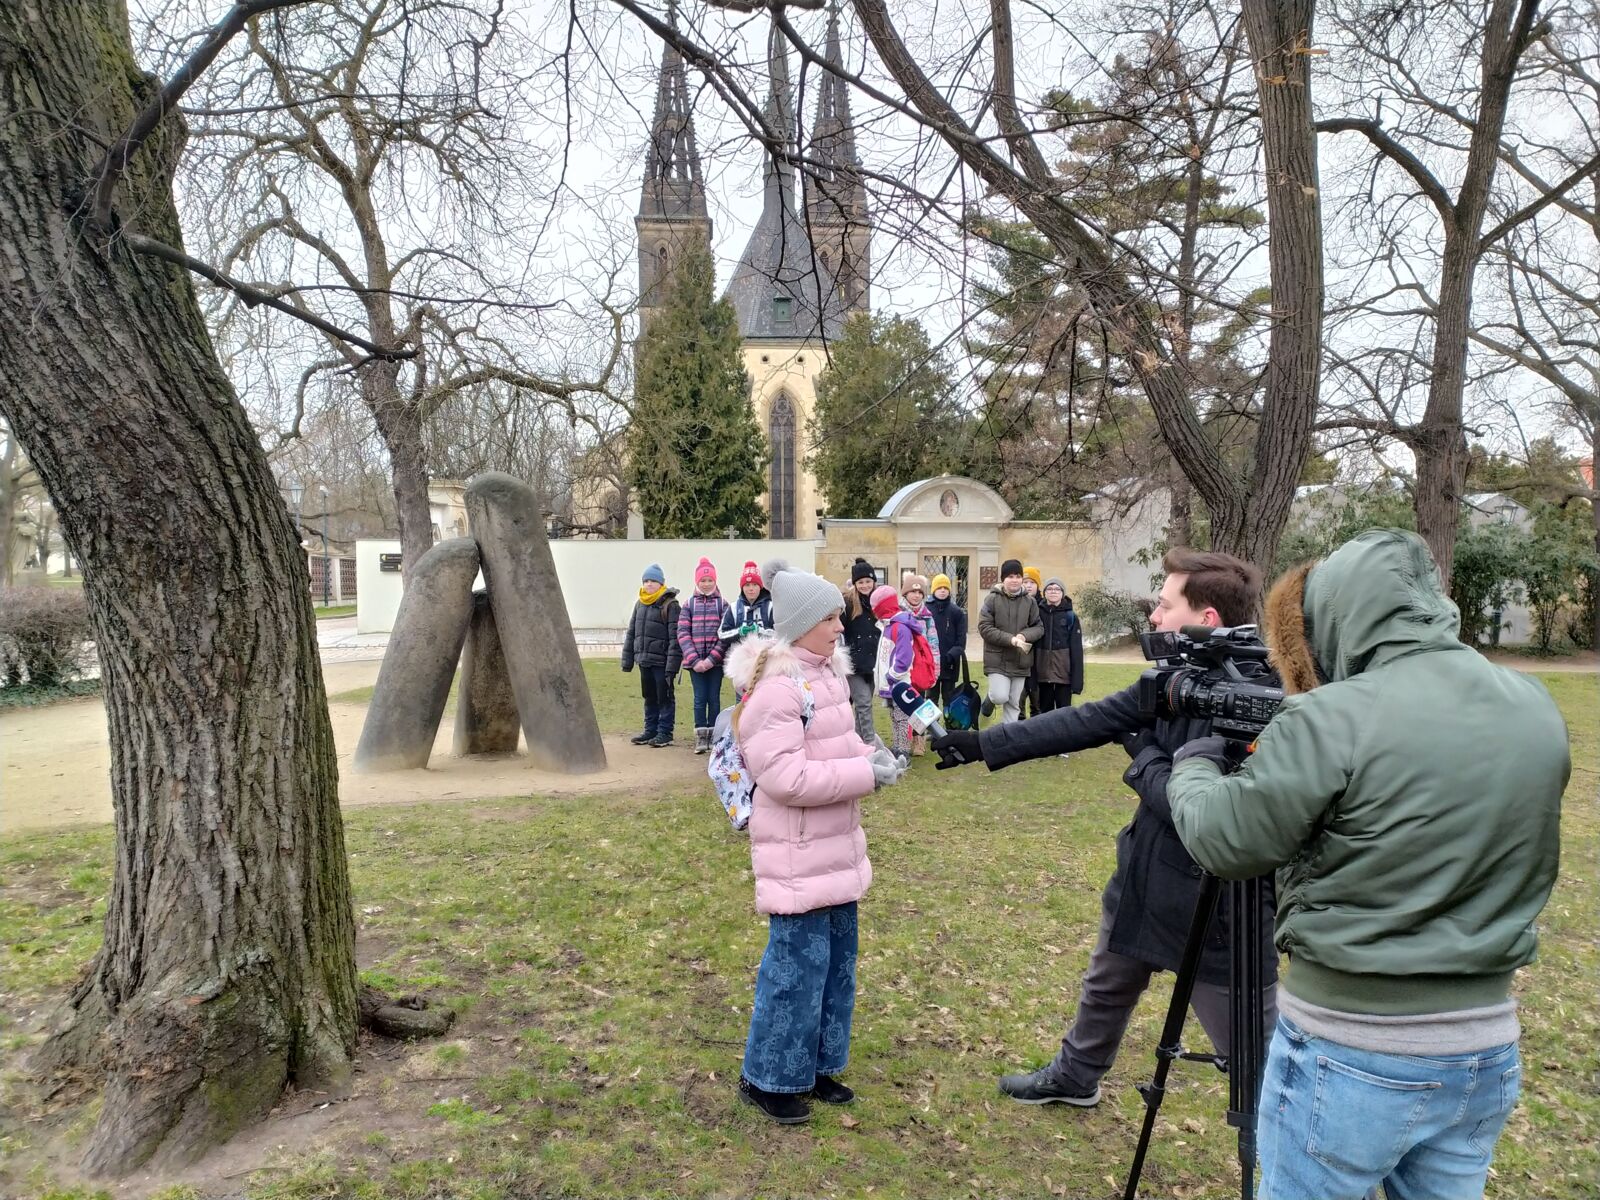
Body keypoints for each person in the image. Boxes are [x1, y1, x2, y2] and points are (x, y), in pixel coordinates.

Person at [1168, 530, 1568, 1200]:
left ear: (1341, 615)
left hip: (1353, 1043)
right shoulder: (1533, 706)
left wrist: (1193, 771)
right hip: (1484, 1046)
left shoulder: (1334, 716)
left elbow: (1231, 839)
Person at [933, 548, 1278, 1107]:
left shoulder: (1263, 702)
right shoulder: (1176, 679)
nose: (1155, 618)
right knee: (1107, 985)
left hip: (1222, 905)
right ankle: (1076, 1076)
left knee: (1260, 1057)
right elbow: (1086, 720)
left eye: (1165, 606)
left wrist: (1144, 764)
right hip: (1148, 876)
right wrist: (982, 744)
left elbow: (1217, 817)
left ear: (1207, 618)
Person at [725, 558, 905, 1125]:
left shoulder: (826, 676)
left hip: (835, 849)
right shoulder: (777, 688)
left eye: (839, 616)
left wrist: (873, 758)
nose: (839, 626)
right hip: (799, 856)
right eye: (829, 617)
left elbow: (842, 743)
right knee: (794, 971)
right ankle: (768, 1077)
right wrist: (864, 777)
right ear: (801, 623)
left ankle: (819, 1065)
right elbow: (786, 778)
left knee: (835, 968)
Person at [621, 563, 681, 748]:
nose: (649, 584)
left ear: (661, 583)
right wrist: (628, 659)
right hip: (644, 659)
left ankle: (665, 732)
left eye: (653, 581)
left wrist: (672, 666)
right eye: (646, 581)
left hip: (662, 661)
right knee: (649, 696)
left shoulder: (670, 605)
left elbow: (675, 637)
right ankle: (650, 729)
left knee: (664, 696)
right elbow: (632, 632)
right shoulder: (640, 604)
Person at [976, 559, 1042, 724]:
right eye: (1010, 576)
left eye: (1018, 576)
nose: (1015, 580)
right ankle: (989, 700)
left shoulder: (1030, 602)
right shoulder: (991, 600)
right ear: (1003, 579)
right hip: (997, 659)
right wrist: (1010, 639)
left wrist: (1024, 636)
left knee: (1013, 703)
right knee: (1000, 696)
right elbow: (984, 627)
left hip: (1021, 661)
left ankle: (1008, 740)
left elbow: (1039, 627)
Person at [678, 557, 730, 755]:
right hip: (695, 664)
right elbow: (683, 633)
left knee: (714, 698)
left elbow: (724, 635)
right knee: (700, 699)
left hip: (714, 664)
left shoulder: (723, 605)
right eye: (703, 580)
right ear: (697, 582)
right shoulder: (688, 604)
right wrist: (695, 660)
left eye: (710, 580)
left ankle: (715, 735)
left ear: (715, 581)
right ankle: (701, 735)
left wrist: (711, 660)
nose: (706, 584)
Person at [871, 582, 925, 760]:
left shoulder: (899, 627)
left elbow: (903, 656)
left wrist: (892, 675)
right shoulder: (888, 625)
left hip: (899, 683)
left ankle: (902, 749)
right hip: (892, 682)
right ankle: (897, 746)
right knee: (895, 716)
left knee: (902, 718)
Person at [840, 558, 881, 745]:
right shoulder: (848, 604)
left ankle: (856, 742)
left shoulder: (879, 603)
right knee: (863, 702)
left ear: (874, 581)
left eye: (868, 581)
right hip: (854, 663)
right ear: (855, 584)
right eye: (860, 582)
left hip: (874, 662)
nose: (865, 585)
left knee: (863, 705)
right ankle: (871, 743)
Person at [1034, 579, 1084, 729]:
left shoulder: (1070, 616)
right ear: (1044, 593)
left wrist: (1077, 681)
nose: (1053, 591)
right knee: (1045, 710)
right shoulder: (1036, 613)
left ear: (1062, 593)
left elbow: (1076, 651)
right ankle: (1046, 741)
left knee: (1064, 710)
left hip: (1064, 672)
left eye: (1057, 589)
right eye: (1050, 589)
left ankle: (1063, 742)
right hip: (1042, 671)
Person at [900, 573, 940, 756]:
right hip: (903, 666)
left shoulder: (927, 617)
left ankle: (919, 738)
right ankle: (902, 739)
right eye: (912, 592)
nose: (916, 595)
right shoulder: (899, 615)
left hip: (921, 667)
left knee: (921, 703)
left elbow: (933, 644)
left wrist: (935, 668)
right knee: (901, 704)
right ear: (905, 594)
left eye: (919, 592)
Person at [719, 560, 774, 669]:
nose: (751, 589)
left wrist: (760, 631)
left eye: (755, 584)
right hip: (741, 664)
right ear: (742, 587)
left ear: (761, 586)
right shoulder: (734, 608)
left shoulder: (771, 607)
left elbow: (780, 635)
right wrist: (739, 632)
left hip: (768, 661)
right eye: (747, 585)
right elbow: (722, 634)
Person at [927, 573, 968, 708]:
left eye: (946, 587)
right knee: (931, 698)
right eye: (939, 588)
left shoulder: (957, 612)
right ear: (933, 590)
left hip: (949, 663)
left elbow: (961, 640)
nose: (943, 590)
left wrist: (952, 655)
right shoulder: (926, 610)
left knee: (949, 698)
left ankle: (950, 727)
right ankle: (931, 728)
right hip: (930, 662)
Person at [1020, 567, 1044, 718]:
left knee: (1037, 703)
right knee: (1018, 701)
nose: (1028, 585)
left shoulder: (1044, 606)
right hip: (1020, 660)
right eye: (1025, 582)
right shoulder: (1017, 603)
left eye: (1032, 582)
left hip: (1039, 661)